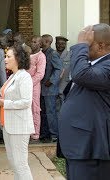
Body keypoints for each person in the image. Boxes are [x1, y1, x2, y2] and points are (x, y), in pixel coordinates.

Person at [59, 24, 110, 180]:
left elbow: (81, 75)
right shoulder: (93, 65)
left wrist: (80, 45)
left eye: (88, 44)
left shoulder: (107, 66)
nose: (84, 48)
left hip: (91, 148)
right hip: (80, 147)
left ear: (101, 46)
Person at [0, 45, 34, 180]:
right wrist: (2, 99)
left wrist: (4, 103)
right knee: (14, 164)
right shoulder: (13, 76)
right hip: (8, 125)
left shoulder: (24, 76)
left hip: (19, 127)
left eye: (8, 56)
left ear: (18, 58)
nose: (5, 59)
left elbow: (26, 102)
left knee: (20, 164)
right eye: (5, 56)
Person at [40, 34, 62, 143]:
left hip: (50, 89)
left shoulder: (53, 54)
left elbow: (59, 69)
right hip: (41, 89)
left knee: (51, 113)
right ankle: (45, 134)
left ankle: (54, 135)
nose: (40, 41)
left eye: (42, 40)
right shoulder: (41, 53)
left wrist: (51, 81)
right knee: (43, 113)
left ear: (48, 41)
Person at [27, 36, 46, 142]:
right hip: (24, 85)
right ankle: (27, 131)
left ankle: (35, 133)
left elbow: (40, 74)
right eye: (32, 41)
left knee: (35, 108)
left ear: (40, 44)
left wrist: (29, 83)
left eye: (35, 42)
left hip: (34, 86)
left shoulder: (41, 56)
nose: (32, 43)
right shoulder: (28, 54)